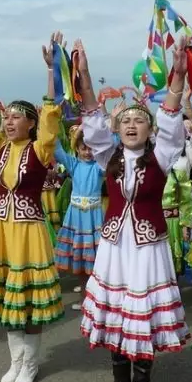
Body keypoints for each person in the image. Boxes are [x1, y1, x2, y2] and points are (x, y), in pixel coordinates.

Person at [78, 38, 190, 382]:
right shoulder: (107, 155)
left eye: (138, 119)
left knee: (139, 312)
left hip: (146, 249)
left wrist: (177, 75)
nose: (130, 125)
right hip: (113, 248)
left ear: (149, 127)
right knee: (115, 310)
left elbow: (173, 120)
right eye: (124, 120)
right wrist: (85, 76)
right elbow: (92, 118)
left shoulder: (161, 155)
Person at [0, 35, 64, 382]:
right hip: (1, 230)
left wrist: (52, 71)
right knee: (8, 295)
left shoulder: (40, 149)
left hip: (29, 231)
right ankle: (15, 360)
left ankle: (31, 364)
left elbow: (52, 116)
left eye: (16, 118)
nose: (8, 122)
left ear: (31, 124)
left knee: (29, 300)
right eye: (6, 117)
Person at [54, 127, 104, 311]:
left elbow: (112, 149)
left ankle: (96, 301)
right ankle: (86, 301)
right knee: (81, 263)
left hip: (94, 217)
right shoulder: (73, 164)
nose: (88, 152)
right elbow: (56, 149)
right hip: (76, 217)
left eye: (91, 148)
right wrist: (53, 124)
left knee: (95, 263)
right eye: (84, 148)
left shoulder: (100, 166)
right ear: (77, 149)